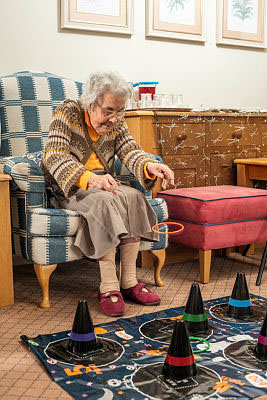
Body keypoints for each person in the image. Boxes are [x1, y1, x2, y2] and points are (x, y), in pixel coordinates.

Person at [41, 71, 174, 317]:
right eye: (108, 111)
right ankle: (109, 286)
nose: (114, 119)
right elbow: (54, 155)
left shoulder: (116, 120)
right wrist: (89, 178)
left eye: (120, 112)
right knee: (102, 201)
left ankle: (129, 282)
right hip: (70, 186)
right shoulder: (68, 112)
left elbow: (130, 149)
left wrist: (148, 166)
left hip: (105, 182)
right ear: (91, 104)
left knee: (134, 196)